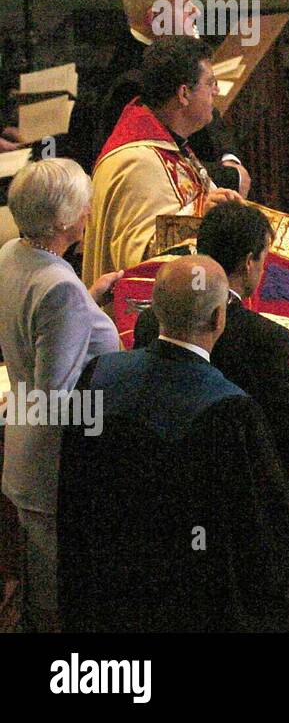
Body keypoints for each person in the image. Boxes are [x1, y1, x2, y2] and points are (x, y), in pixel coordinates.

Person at [131, 201, 289, 609]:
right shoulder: (267, 339)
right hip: (252, 523)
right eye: (264, 258)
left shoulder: (153, 320)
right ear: (249, 262)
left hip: (173, 510)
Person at [58, 256, 289, 632]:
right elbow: (262, 537)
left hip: (105, 593)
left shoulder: (99, 375)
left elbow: (72, 488)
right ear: (218, 319)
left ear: (155, 311)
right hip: (187, 606)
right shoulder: (231, 411)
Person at [0, 159, 123, 632]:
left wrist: (89, 300)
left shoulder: (14, 252)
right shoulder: (60, 290)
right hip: (53, 459)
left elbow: (42, 330)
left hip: (23, 439)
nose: (92, 208)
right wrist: (120, 392)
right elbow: (56, 397)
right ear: (66, 221)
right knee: (52, 601)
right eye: (85, 202)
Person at [65, 0, 249, 195]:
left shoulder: (177, 55)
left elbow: (212, 115)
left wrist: (230, 158)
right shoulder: (129, 84)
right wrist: (231, 177)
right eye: (185, 6)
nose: (196, 13)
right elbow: (159, 165)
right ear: (156, 18)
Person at [81, 35, 241, 286]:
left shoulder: (168, 140)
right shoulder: (137, 162)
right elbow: (142, 261)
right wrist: (205, 218)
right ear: (184, 93)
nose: (216, 91)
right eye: (210, 83)